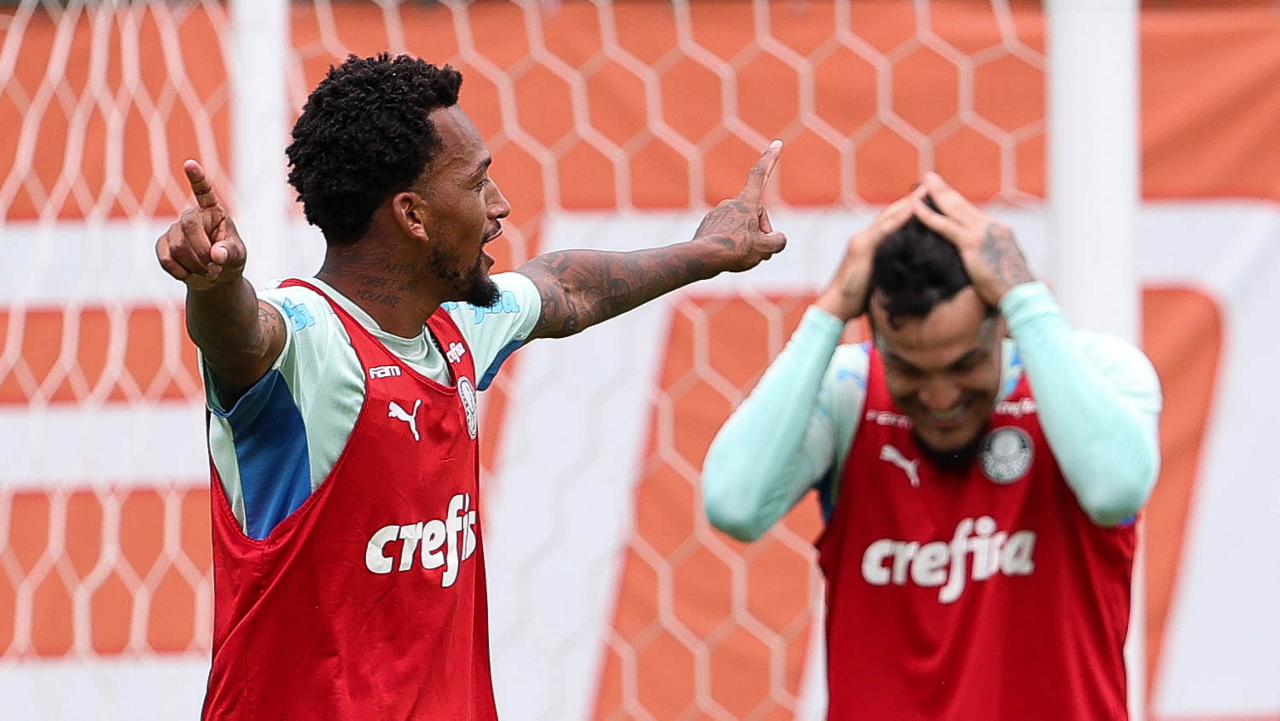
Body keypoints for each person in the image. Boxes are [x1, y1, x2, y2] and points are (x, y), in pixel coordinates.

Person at [154, 53, 786, 719]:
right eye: (477, 182)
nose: (499, 206)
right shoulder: (313, 345)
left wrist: (708, 253)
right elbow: (244, 338)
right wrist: (216, 286)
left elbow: (567, 288)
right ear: (413, 215)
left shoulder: (453, 327)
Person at [701, 173, 1162, 719]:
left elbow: (1114, 491)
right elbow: (734, 506)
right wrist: (828, 312)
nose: (940, 397)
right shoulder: (849, 390)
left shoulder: (1097, 372)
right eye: (910, 370)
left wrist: (1025, 297)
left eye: (965, 364)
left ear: (1002, 324)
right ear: (876, 339)